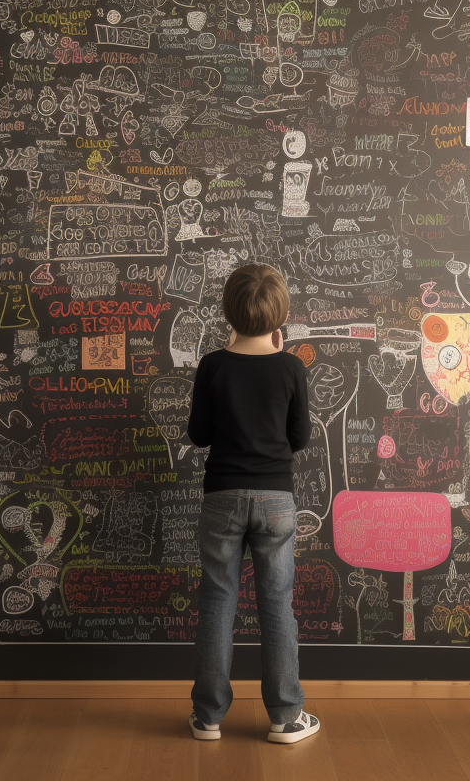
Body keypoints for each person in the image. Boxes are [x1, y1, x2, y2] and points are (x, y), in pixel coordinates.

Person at [186, 263, 320, 744]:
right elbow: (299, 437)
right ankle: (285, 717)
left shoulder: (213, 366)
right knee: (276, 604)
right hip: (276, 500)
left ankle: (208, 718)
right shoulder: (289, 367)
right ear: (279, 315)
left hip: (221, 495)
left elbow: (198, 435)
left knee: (218, 601)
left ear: (230, 312)